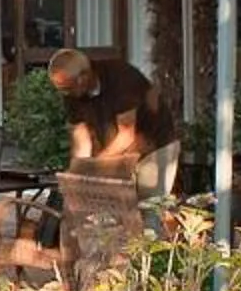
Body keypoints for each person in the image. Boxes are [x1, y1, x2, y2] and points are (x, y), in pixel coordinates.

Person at [44, 48, 178, 194]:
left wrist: (95, 166)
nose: (64, 93)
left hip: (154, 145)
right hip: (118, 150)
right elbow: (81, 138)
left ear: (82, 78)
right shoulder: (72, 93)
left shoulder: (122, 78)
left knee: (150, 205)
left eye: (66, 88)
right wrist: (79, 171)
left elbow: (126, 135)